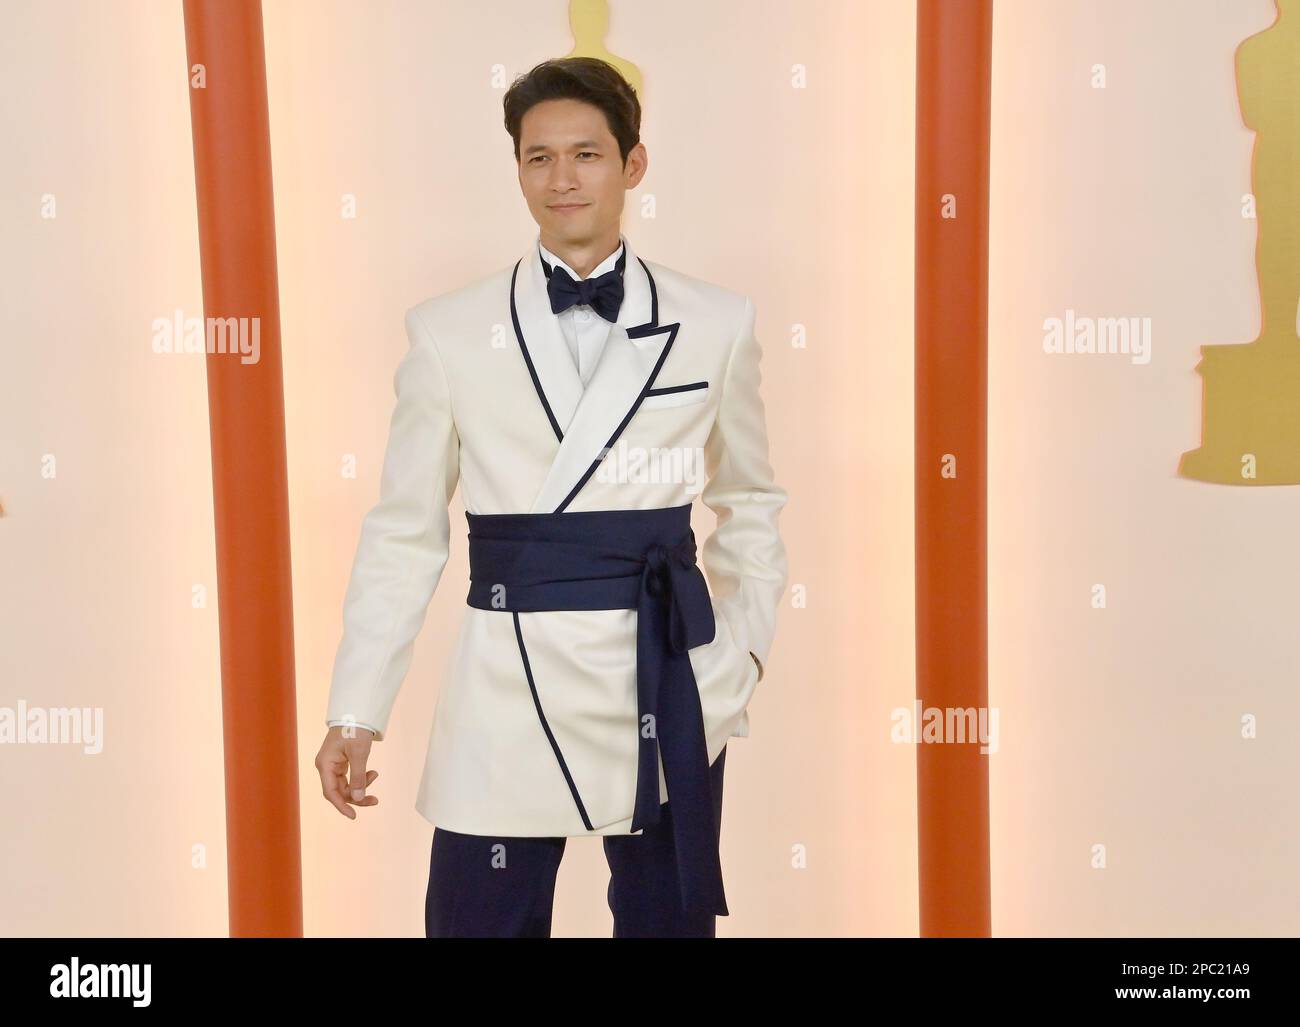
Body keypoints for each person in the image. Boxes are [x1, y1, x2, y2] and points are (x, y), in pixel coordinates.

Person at [314, 56, 788, 938]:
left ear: (632, 165)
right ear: (518, 170)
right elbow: (405, 534)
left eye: (587, 154)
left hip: (665, 681)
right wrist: (357, 708)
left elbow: (751, 501)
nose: (562, 179)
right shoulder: (447, 332)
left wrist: (742, 658)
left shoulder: (718, 321)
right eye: (539, 158)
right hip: (503, 690)